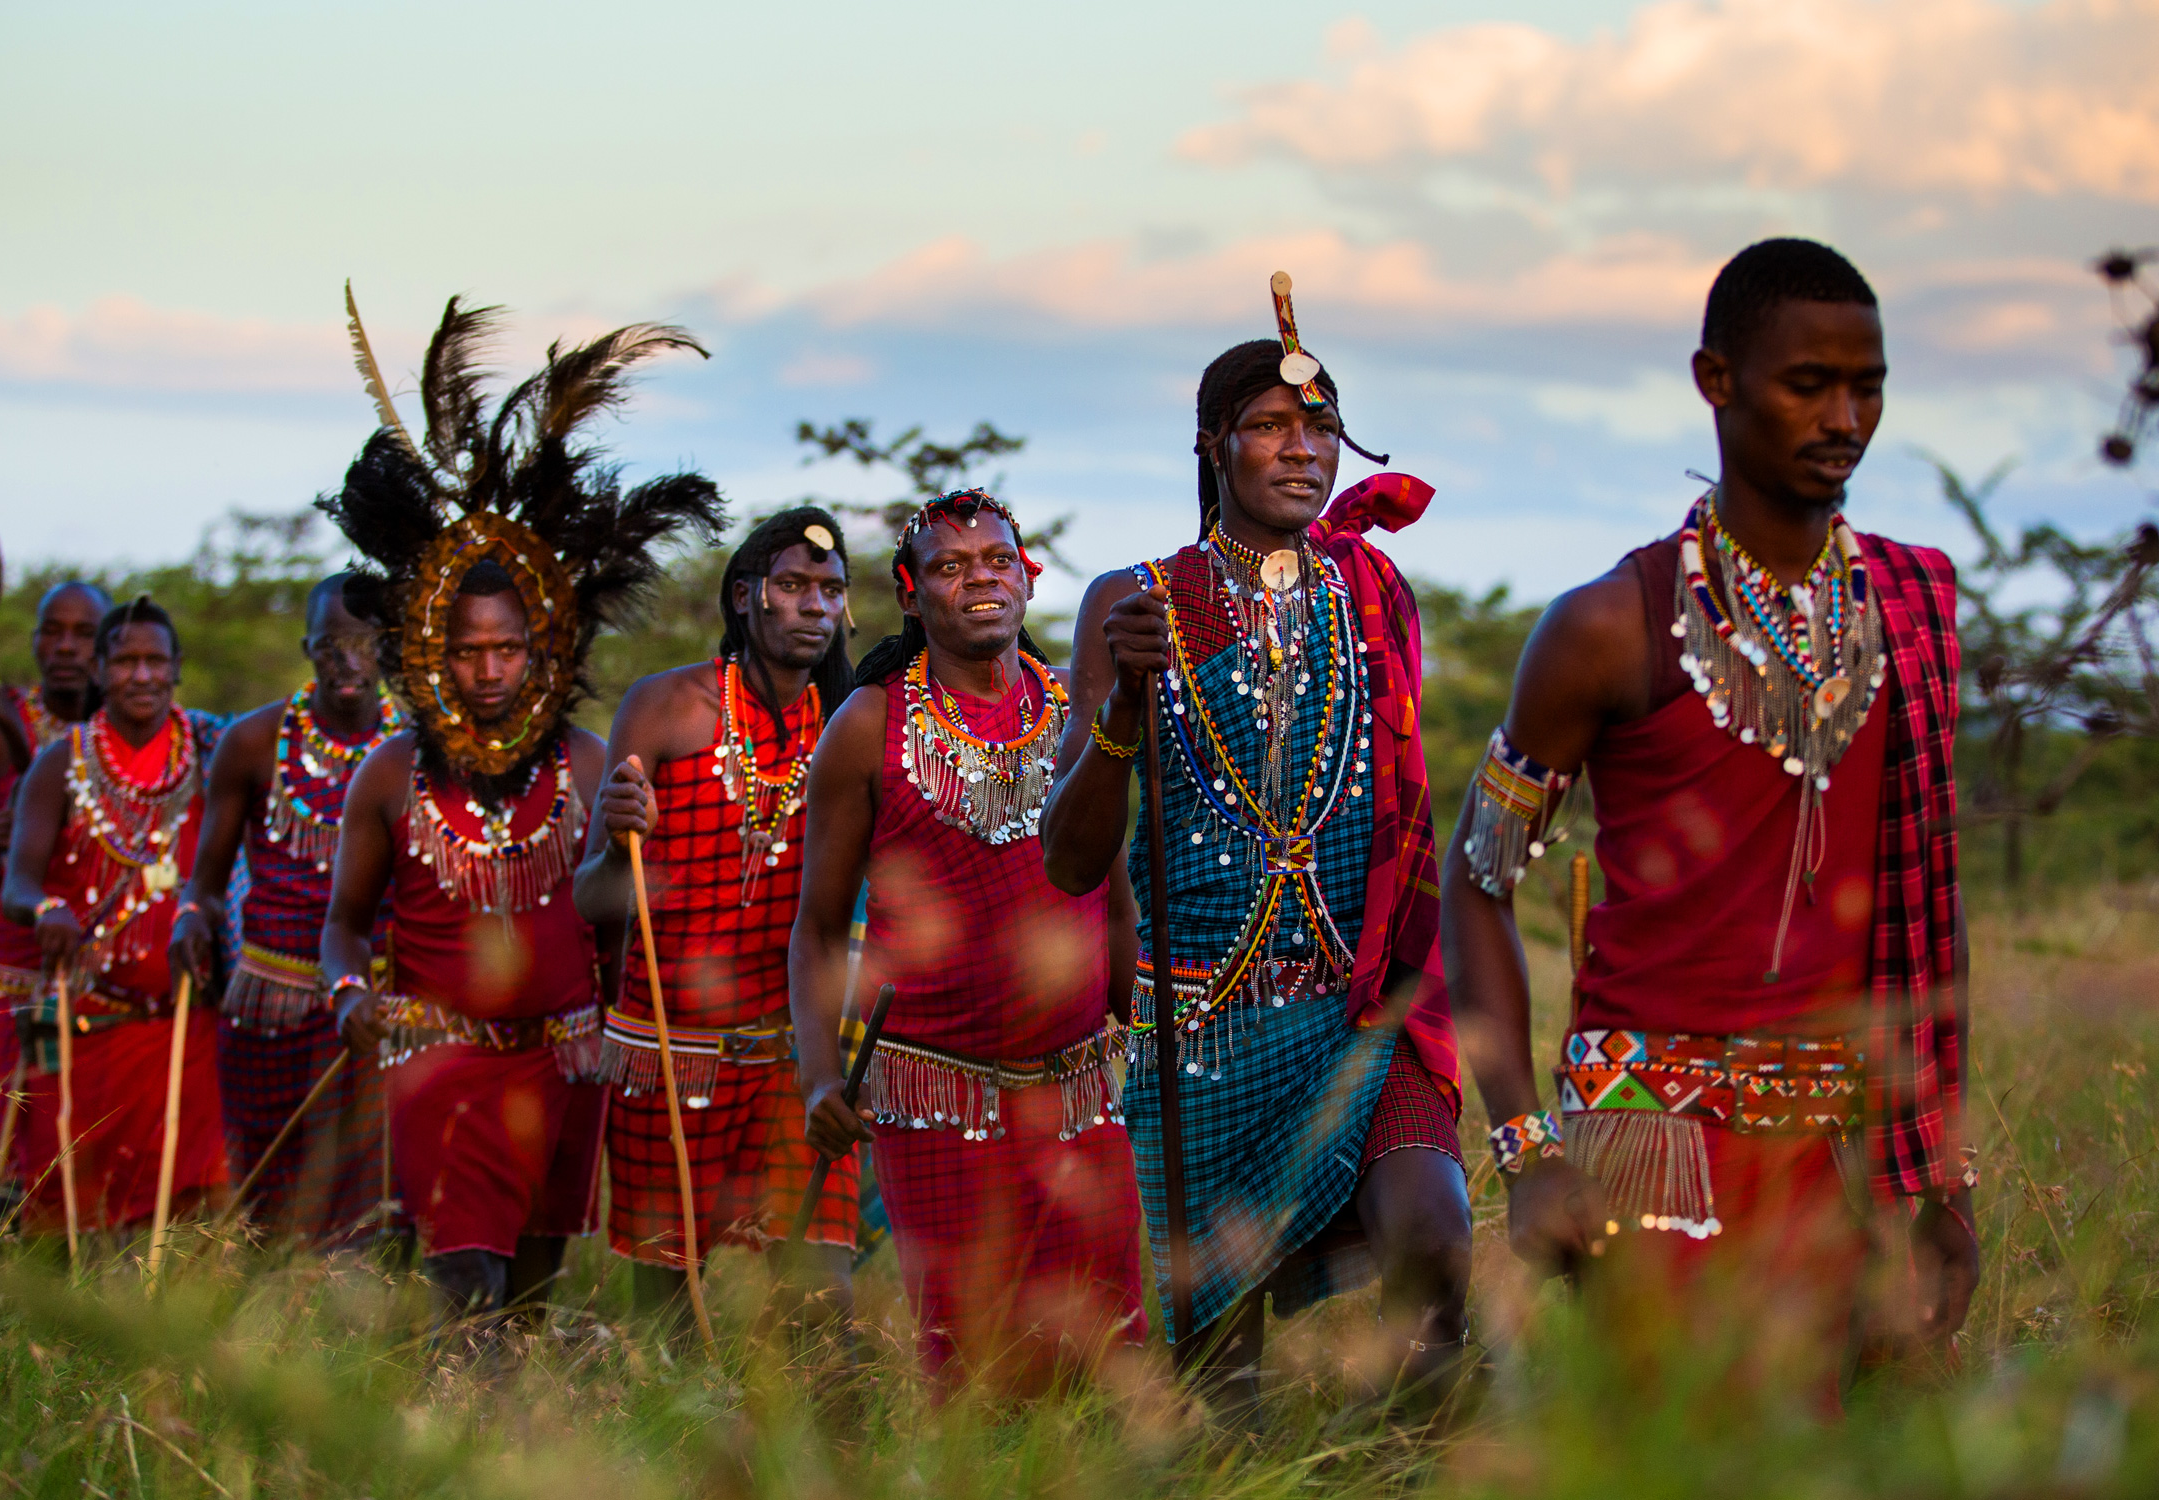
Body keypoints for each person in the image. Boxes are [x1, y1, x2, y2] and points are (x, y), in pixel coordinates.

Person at [1441, 238, 1977, 1402]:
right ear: (1716, 380)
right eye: (1808, 384)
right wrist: (1528, 1151)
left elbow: (1931, 902)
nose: (1845, 416)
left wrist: (1942, 1178)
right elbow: (1475, 882)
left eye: (1868, 384)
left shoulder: (1916, 604)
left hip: (1849, 1155)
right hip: (1654, 1150)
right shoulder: (1605, 628)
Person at [1040, 276, 1472, 1416]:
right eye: (1271, 426)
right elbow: (1071, 860)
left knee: (1435, 1240)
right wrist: (1124, 714)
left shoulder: (1372, 592)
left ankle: (1408, 1472)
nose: (1301, 450)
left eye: (1320, 426)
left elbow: (1400, 812)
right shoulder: (1134, 603)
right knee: (1223, 1386)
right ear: (1213, 443)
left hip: (1356, 1010)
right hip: (1202, 1033)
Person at [317, 298, 724, 1321]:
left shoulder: (592, 765)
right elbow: (342, 927)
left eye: (508, 649)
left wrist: (635, 842)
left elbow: (631, 916)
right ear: (431, 652)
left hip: (563, 1066)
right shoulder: (387, 778)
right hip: (437, 1062)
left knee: (527, 1307)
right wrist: (345, 996)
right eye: (467, 650)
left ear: (544, 650)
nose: (489, 670)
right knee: (464, 1286)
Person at [790, 489, 1146, 1396]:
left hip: (1081, 1092)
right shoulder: (868, 726)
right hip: (935, 1099)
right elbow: (820, 927)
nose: (979, 579)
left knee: (1108, 1356)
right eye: (951, 566)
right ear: (912, 595)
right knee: (976, 1372)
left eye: (997, 561)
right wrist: (822, 1076)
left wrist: (1136, 1038)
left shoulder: (1080, 711)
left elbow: (1112, 895)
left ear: (1028, 578)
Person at [574, 506, 864, 1327]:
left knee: (821, 1302)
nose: (814, 605)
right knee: (668, 1316)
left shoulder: (851, 722)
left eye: (832, 591)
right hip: (671, 1056)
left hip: (792, 1063)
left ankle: (819, 1452)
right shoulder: (667, 706)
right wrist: (621, 841)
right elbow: (592, 899)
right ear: (746, 596)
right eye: (794, 586)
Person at [171, 574, 402, 1247]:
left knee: (372, 1215)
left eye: (365, 643)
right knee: (269, 1210)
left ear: (389, 648)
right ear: (307, 647)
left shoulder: (414, 752)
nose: (348, 661)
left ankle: (364, 1345)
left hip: (374, 1011)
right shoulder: (253, 743)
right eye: (331, 646)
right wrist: (191, 917)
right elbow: (207, 882)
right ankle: (264, 1342)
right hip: (269, 1008)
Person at [1, 597, 230, 1232]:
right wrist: (47, 908)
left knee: (189, 1216)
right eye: (126, 661)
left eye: (156, 661)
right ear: (101, 669)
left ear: (177, 668)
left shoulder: (211, 756)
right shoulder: (61, 763)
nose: (142, 675)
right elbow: (16, 883)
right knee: (67, 1215)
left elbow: (229, 877)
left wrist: (202, 916)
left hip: (184, 1025)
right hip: (80, 1026)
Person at [0, 581, 108, 1176]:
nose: (66, 647)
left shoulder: (139, 740)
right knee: (21, 1136)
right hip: (17, 977)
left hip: (109, 980)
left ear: (108, 647)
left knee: (97, 1133)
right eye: (53, 631)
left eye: (84, 634)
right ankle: (11, 1247)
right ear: (34, 641)